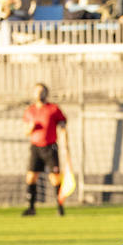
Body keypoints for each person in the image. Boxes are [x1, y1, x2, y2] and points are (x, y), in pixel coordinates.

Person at [23, 83, 71, 217]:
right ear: (34, 93)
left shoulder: (53, 109)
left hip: (50, 147)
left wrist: (65, 142)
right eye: (37, 91)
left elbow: (62, 124)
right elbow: (26, 131)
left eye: (42, 91)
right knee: (31, 177)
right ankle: (31, 207)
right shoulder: (30, 111)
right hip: (35, 147)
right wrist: (30, 128)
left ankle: (60, 207)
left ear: (46, 93)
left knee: (55, 178)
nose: (40, 94)